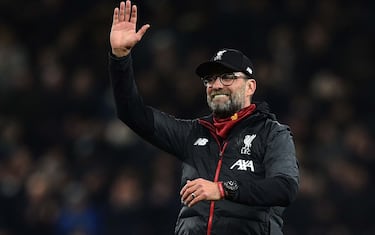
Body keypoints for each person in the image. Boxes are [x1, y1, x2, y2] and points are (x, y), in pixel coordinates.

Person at [108, 1, 299, 235]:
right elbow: (132, 114)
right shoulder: (193, 133)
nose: (216, 85)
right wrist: (120, 59)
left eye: (227, 77)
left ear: (250, 87)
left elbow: (284, 188)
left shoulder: (272, 133)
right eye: (210, 80)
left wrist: (223, 189)